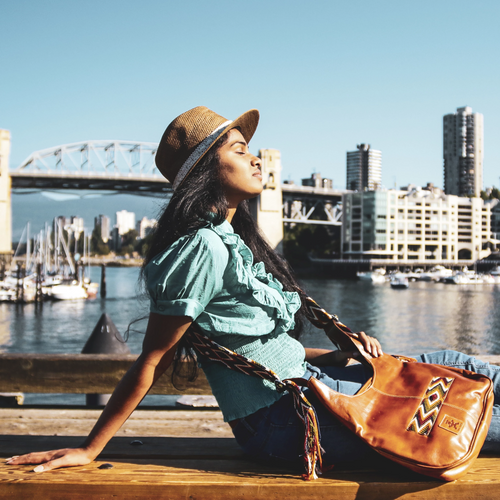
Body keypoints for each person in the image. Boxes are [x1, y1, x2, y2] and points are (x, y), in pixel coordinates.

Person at [5, 106, 500, 475]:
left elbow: (261, 348)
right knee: (468, 421)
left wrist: (339, 355)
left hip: (308, 384)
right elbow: (151, 362)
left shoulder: (233, 241)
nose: (258, 159)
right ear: (205, 172)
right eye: (239, 151)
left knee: (463, 367)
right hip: (284, 422)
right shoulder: (199, 250)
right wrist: (91, 448)